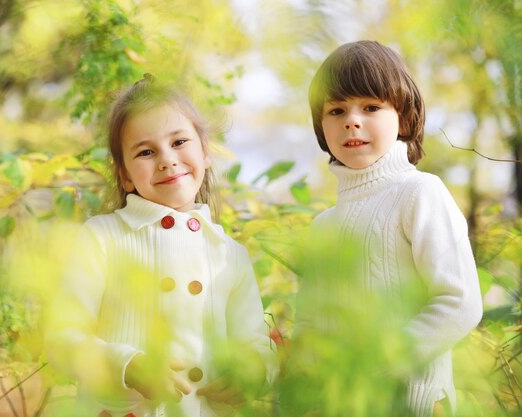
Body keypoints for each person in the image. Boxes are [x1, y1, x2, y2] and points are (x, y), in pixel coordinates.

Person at [46, 74, 274, 417]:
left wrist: (253, 371)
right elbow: (62, 339)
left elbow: (256, 343)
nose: (167, 160)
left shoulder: (231, 255)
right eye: (146, 151)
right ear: (124, 175)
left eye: (179, 142)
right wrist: (128, 365)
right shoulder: (103, 238)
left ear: (205, 151)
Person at [298, 40, 483, 417]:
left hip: (411, 401)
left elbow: (460, 302)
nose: (352, 119)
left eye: (371, 107)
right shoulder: (323, 226)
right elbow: (309, 322)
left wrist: (380, 362)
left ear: (403, 117)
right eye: (337, 110)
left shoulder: (420, 194)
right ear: (321, 126)